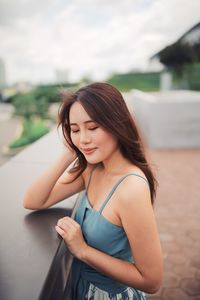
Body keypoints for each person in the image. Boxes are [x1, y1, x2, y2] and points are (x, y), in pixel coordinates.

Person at [23, 82, 163, 300]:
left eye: (93, 127)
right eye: (75, 130)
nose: (83, 139)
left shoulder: (131, 188)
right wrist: (68, 154)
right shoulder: (92, 170)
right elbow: (33, 200)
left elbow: (152, 281)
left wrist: (83, 250)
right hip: (80, 288)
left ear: (117, 124)